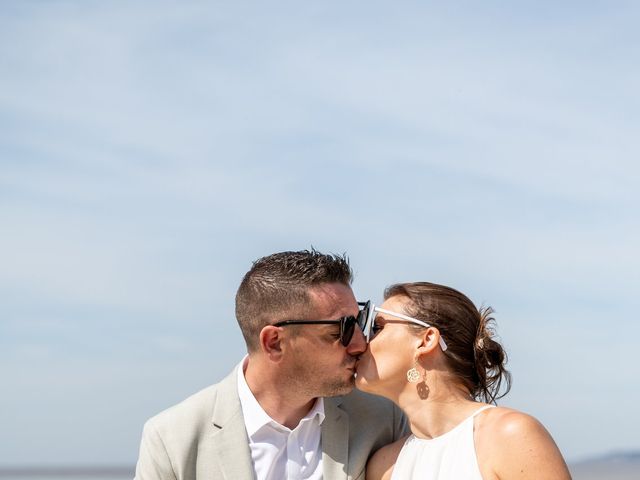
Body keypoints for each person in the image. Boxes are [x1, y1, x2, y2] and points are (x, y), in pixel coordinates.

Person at [134, 250, 408, 480]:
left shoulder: (385, 419)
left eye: (359, 322)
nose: (360, 344)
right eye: (342, 330)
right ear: (274, 342)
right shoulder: (171, 439)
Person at [356, 282, 572, 480]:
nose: (360, 341)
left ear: (427, 340)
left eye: (378, 327)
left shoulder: (510, 437)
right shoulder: (384, 467)